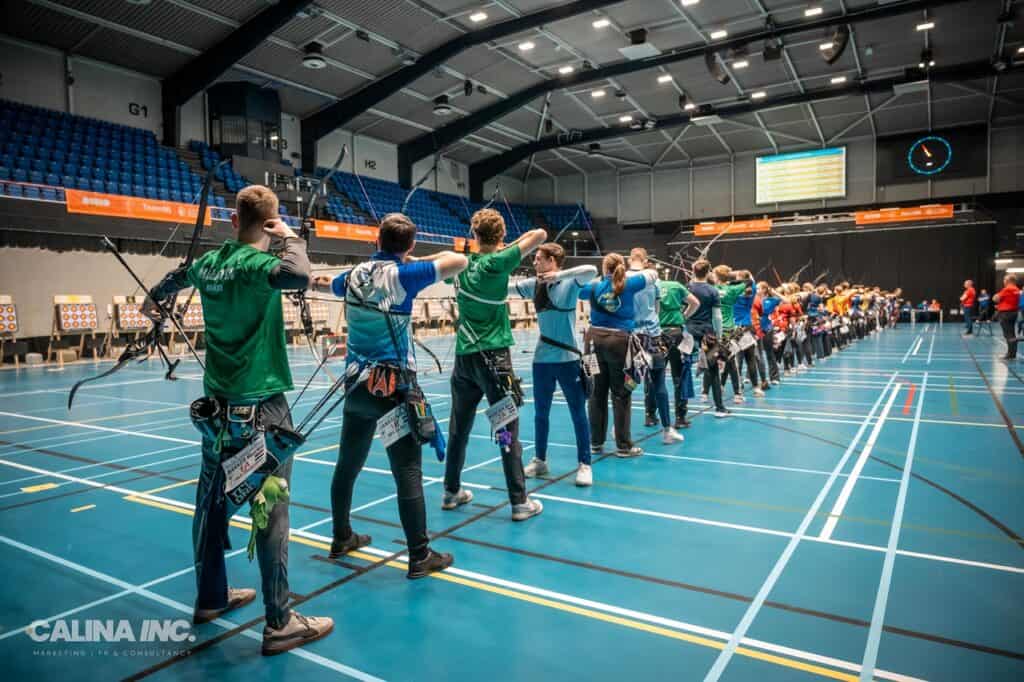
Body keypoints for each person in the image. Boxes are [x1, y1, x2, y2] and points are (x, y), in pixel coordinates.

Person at [145, 185, 332, 655]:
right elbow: (298, 276)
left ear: (233, 220)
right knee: (270, 507)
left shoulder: (210, 263)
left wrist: (154, 300)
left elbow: (174, 279)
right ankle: (280, 621)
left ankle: (210, 596)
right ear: (269, 223)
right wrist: (290, 237)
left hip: (217, 408)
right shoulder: (258, 264)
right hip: (263, 404)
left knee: (210, 501)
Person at [315, 212, 468, 579]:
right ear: (410, 246)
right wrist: (416, 261)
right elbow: (459, 260)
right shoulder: (403, 276)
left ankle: (341, 536)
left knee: (347, 465)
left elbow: (323, 282)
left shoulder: (352, 276)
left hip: (355, 386)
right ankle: (419, 555)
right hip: (391, 390)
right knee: (407, 470)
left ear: (376, 241)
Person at [443, 210, 548, 521]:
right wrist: (506, 245)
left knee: (458, 429)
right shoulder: (500, 261)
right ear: (500, 236)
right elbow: (540, 234)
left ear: (475, 236)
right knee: (506, 432)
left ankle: (451, 491)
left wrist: (492, 243)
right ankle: (519, 501)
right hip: (495, 363)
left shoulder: (463, 265)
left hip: (464, 362)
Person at [511, 244, 597, 486]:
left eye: (539, 259)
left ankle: (585, 463)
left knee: (578, 412)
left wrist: (559, 275)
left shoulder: (570, 283)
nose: (535, 263)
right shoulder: (534, 284)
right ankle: (540, 460)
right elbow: (505, 289)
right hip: (542, 360)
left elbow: (591, 269)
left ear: (552, 261)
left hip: (569, 359)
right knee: (541, 413)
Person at [580, 252, 659, 455]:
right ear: (621, 266)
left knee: (595, 392)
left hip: (592, 342)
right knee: (621, 393)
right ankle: (623, 446)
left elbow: (576, 288)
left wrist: (598, 279)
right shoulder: (629, 284)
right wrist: (635, 266)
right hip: (619, 343)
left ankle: (595, 442)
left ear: (604, 268)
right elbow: (653, 274)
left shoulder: (593, 287)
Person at [630, 248, 687, 445]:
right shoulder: (652, 281)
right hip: (652, 338)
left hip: (632, 339)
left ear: (630, 259)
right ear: (645, 261)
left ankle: (619, 429)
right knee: (659, 382)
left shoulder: (624, 279)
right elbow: (657, 309)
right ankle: (667, 430)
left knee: (628, 383)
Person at [646, 268, 700, 428]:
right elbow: (695, 303)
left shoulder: (649, 287)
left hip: (656, 335)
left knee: (653, 375)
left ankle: (650, 415)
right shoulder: (676, 285)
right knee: (679, 375)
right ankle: (680, 417)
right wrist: (684, 315)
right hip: (676, 333)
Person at [686, 260, 729, 418]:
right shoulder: (712, 290)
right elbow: (717, 316)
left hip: (688, 331)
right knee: (713, 371)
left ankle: (681, 412)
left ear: (693, 271)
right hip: (707, 332)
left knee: (683, 369)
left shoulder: (687, 288)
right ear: (708, 272)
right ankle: (719, 408)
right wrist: (719, 335)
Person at [993, 274, 1021, 360]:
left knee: (1008, 334)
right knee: (1011, 333)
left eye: (1004, 279)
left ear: (1008, 280)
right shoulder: (1016, 289)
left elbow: (995, 299)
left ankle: (1010, 354)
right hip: (1013, 312)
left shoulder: (1007, 289)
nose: (1003, 281)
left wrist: (997, 298)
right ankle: (1012, 353)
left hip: (1006, 314)